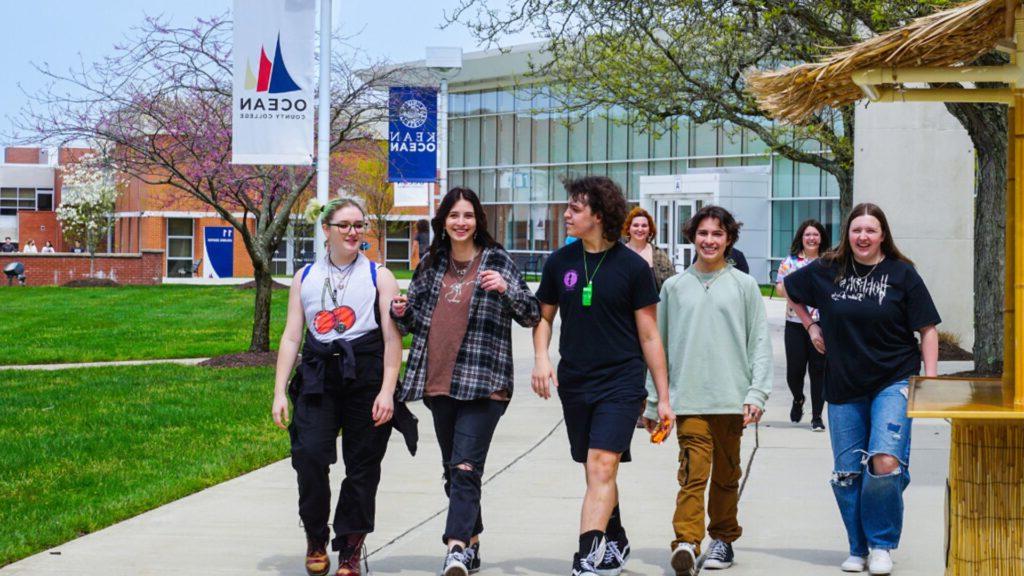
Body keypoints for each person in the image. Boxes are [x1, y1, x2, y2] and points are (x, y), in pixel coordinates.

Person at [391, 188, 541, 576]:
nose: (461, 222)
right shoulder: (432, 263)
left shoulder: (497, 260)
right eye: (454, 215)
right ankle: (472, 542)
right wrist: (399, 311)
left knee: (465, 467)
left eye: (468, 215)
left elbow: (531, 313)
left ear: (478, 221)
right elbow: (412, 321)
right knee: (453, 468)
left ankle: (454, 548)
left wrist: (506, 290)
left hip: (484, 380)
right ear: (443, 221)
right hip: (438, 379)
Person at [784, 203, 940, 575]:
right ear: (847, 234)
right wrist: (811, 326)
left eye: (870, 230)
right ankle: (858, 548)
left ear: (882, 233)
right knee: (848, 473)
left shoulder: (902, 274)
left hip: (894, 378)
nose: (863, 237)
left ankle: (882, 544)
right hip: (843, 382)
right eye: (856, 230)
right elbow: (789, 289)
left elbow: (928, 329)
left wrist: (930, 381)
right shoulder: (827, 269)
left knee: (884, 463)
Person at [533, 176, 674, 576]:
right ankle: (615, 536)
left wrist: (662, 396)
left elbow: (649, 335)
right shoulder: (560, 262)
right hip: (575, 381)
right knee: (594, 468)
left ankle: (587, 556)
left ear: (599, 214)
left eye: (575, 208)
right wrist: (541, 358)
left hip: (621, 381)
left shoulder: (632, 267)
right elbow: (543, 318)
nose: (566, 214)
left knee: (601, 465)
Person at [271, 198, 407, 576]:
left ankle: (350, 546)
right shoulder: (305, 276)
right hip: (318, 376)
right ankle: (316, 534)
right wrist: (280, 391)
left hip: (365, 376)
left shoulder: (379, 275)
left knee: (363, 465)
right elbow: (291, 336)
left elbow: (393, 340)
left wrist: (386, 390)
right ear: (326, 229)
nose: (353, 232)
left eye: (359, 225)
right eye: (345, 225)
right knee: (309, 455)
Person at [645, 205, 771, 575]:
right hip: (689, 399)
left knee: (727, 475)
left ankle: (722, 539)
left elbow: (759, 343)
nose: (710, 240)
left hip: (732, 400)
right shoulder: (674, 287)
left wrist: (756, 394)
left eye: (717, 234)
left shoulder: (744, 286)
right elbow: (659, 346)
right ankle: (686, 540)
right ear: (692, 237)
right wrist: (655, 401)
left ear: (729, 238)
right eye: (703, 233)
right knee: (692, 473)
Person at [775, 220, 828, 431]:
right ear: (801, 238)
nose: (812, 238)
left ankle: (817, 417)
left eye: (815, 234)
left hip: (822, 324)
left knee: (818, 371)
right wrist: (795, 292)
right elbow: (780, 288)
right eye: (808, 235)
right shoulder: (790, 262)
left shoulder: (828, 262)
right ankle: (798, 399)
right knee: (794, 372)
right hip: (795, 324)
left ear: (821, 238)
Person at [622, 206, 676, 291]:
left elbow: (672, 286)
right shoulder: (619, 254)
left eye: (644, 226)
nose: (640, 229)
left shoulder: (660, 255)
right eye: (636, 225)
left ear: (650, 230)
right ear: (628, 229)